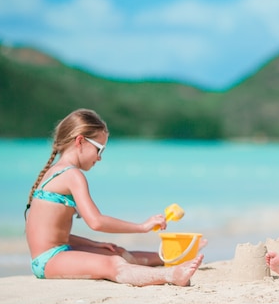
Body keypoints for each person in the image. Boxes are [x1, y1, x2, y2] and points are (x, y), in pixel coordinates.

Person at [24, 108, 203, 286]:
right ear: (80, 141)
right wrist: (142, 227)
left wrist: (94, 244)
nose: (100, 158)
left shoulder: (52, 173)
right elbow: (96, 222)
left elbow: (51, 233)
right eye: (99, 150)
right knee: (113, 264)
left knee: (116, 251)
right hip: (49, 260)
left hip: (55, 252)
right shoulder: (72, 175)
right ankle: (172, 275)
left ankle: (175, 258)